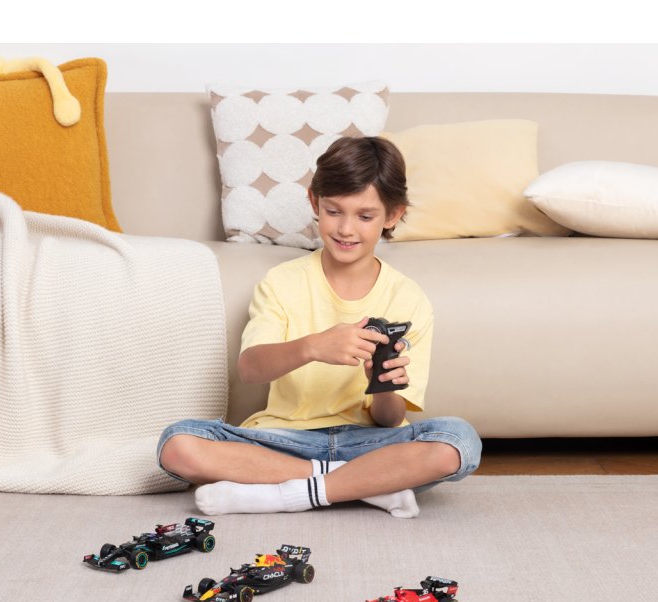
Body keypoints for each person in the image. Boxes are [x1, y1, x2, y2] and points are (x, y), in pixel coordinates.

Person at [157, 136, 481, 517]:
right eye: (333, 211)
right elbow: (250, 368)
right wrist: (313, 347)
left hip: (368, 442)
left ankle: (288, 493)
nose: (345, 228)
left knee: (459, 441)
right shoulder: (282, 282)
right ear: (314, 202)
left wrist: (383, 384)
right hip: (283, 440)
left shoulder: (409, 298)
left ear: (392, 215)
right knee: (176, 444)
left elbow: (390, 419)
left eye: (365, 217)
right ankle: (362, 486)